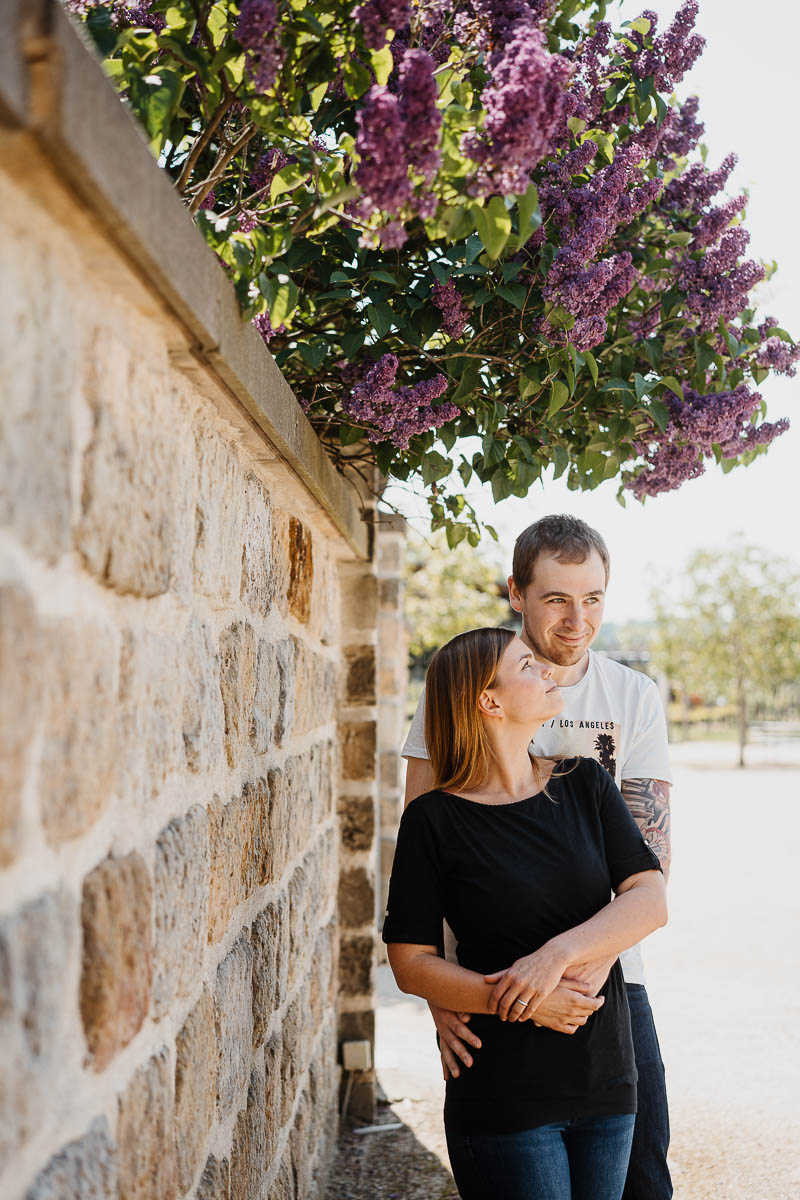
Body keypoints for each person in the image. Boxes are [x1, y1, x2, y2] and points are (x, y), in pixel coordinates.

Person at [402, 515, 674, 1200]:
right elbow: (421, 848)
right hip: (490, 979)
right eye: (557, 598)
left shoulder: (632, 696)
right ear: (517, 595)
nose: (577, 619)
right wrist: (443, 992)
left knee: (644, 1180)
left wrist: (581, 965)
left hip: (607, 983)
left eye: (593, 599)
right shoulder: (465, 681)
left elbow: (652, 862)